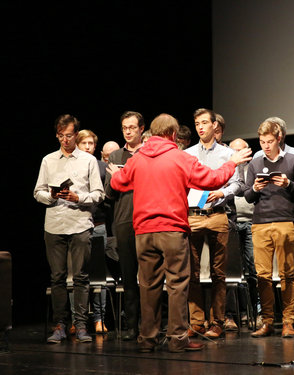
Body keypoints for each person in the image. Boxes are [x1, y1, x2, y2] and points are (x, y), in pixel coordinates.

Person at [106, 113, 252, 353]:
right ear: (173, 134)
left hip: (143, 232)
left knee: (148, 285)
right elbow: (213, 179)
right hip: (172, 231)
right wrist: (232, 161)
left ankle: (148, 339)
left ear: (150, 133)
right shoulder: (180, 157)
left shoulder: (138, 158)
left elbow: (119, 183)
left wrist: (115, 174)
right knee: (176, 284)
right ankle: (177, 339)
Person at [34, 114, 104, 344]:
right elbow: (38, 192)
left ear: (76, 134)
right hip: (54, 224)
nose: (65, 140)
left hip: (80, 223)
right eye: (61, 136)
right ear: (57, 135)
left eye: (70, 135)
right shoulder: (48, 160)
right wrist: (51, 196)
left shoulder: (88, 160)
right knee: (57, 277)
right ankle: (60, 325)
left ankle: (81, 325)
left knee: (82, 277)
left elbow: (98, 194)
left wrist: (78, 197)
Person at [245, 120, 294, 338]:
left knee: (286, 274)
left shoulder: (293, 160)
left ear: (278, 138)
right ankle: (268, 321)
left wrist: (287, 184)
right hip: (260, 222)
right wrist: (254, 187)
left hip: (285, 221)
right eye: (262, 142)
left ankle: (288, 321)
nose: (266, 146)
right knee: (262, 275)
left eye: (269, 141)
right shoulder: (254, 163)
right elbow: (247, 195)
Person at [185, 108, 241, 338]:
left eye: (204, 122)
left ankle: (217, 321)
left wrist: (222, 193)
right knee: (192, 271)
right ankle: (197, 321)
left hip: (218, 214)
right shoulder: (187, 153)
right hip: (194, 216)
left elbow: (237, 184)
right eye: (197, 123)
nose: (200, 127)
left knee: (219, 272)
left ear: (214, 125)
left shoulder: (227, 154)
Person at [104, 111, 145, 341]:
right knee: (129, 276)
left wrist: (124, 177)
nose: (128, 131)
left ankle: (151, 324)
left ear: (141, 129)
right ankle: (132, 326)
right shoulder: (115, 155)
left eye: (132, 127)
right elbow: (108, 194)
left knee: (149, 276)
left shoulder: (148, 154)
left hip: (147, 217)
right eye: (124, 128)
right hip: (122, 219)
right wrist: (116, 177)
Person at [76, 129, 114, 334]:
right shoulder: (71, 166)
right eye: (84, 143)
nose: (88, 147)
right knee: (77, 275)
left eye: (91, 143)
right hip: (75, 224)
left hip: (98, 224)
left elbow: (108, 197)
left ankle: (99, 318)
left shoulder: (102, 167)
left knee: (99, 275)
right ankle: (77, 319)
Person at [228, 138, 260, 328]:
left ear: (248, 151)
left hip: (250, 223)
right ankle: (234, 314)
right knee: (231, 273)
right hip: (231, 222)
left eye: (242, 150)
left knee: (254, 271)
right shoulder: (227, 168)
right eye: (234, 150)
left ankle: (256, 313)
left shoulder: (253, 169)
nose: (239, 153)